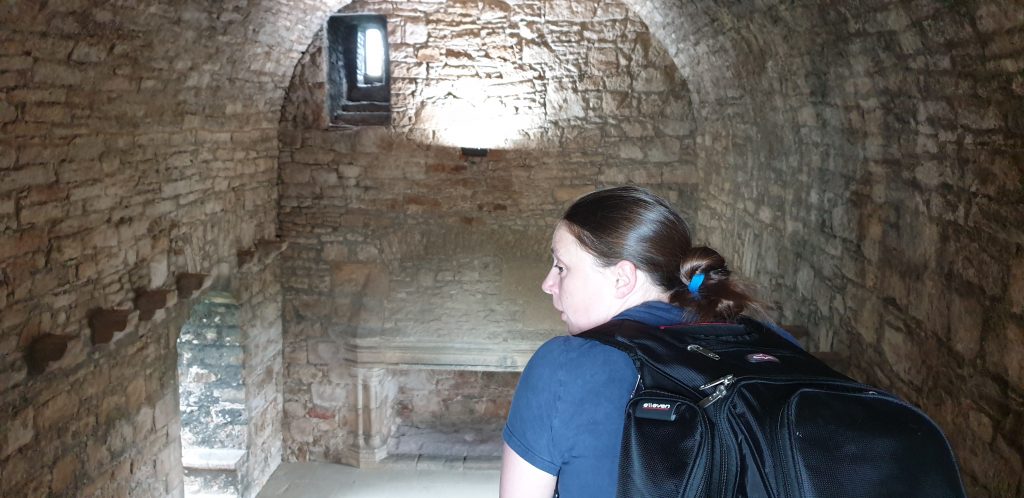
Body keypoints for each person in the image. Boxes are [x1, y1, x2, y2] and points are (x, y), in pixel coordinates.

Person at [499, 186, 800, 498]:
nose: (548, 284)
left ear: (622, 278)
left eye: (561, 267)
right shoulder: (778, 344)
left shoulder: (563, 366)